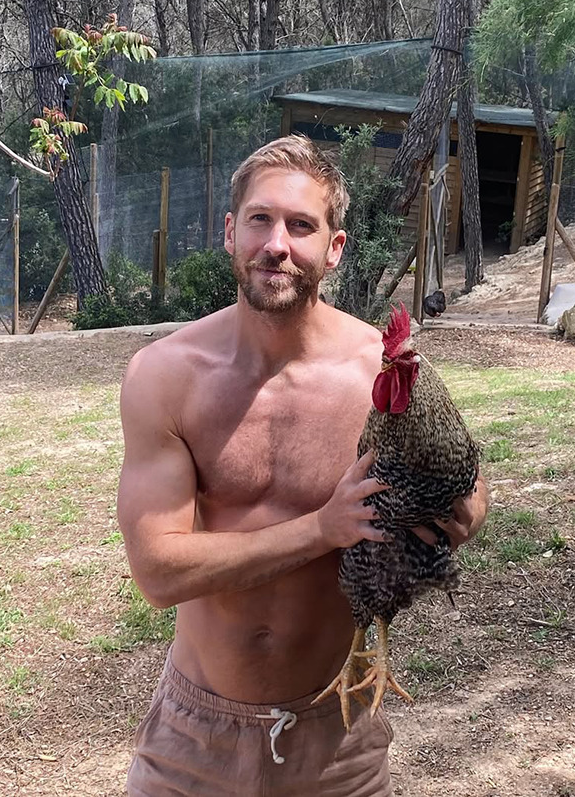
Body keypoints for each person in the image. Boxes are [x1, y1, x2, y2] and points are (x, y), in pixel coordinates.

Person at [117, 135, 489, 797]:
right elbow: (158, 569)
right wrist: (322, 527)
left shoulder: (382, 367)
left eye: (301, 225)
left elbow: (469, 498)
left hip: (336, 733)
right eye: (260, 219)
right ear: (231, 232)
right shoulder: (165, 375)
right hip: (193, 740)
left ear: (334, 248)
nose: (277, 244)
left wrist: (452, 518)